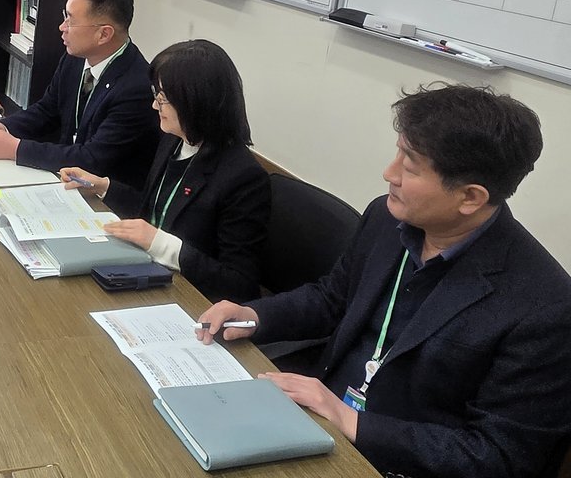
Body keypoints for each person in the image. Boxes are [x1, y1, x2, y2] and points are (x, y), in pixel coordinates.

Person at [197, 84, 571, 478]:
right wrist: (254, 315)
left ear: (470, 198)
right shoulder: (386, 218)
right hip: (314, 423)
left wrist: (351, 421)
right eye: (398, 153)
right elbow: (331, 299)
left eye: (410, 167)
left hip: (391, 463)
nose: (389, 173)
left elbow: (499, 456)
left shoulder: (545, 306)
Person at [58, 40, 270, 302]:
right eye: (155, 95)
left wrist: (161, 244)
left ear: (195, 102)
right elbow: (156, 210)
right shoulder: (173, 139)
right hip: (147, 272)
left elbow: (239, 285)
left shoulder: (244, 178)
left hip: (190, 296)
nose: (154, 106)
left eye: (163, 99)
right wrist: (103, 187)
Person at [0, 0, 159, 190]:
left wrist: (16, 149)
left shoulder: (137, 87)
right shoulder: (75, 58)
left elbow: (92, 159)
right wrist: (4, 127)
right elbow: (47, 110)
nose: (62, 27)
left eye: (71, 21)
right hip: (65, 177)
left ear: (104, 34)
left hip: (100, 196)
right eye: (65, 16)